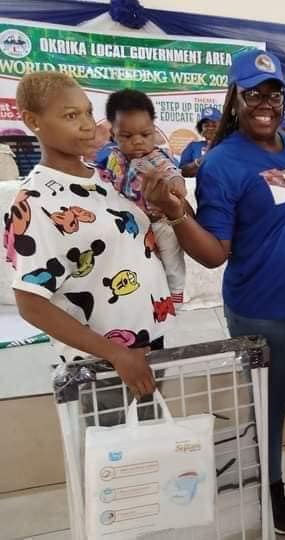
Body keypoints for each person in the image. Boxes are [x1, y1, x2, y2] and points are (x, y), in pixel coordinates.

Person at [140, 49, 285, 536]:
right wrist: (177, 214)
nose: (265, 103)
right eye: (254, 93)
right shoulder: (222, 163)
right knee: (270, 404)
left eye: (274, 94)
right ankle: (269, 487)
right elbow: (214, 254)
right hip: (261, 309)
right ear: (235, 98)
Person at [3, 72, 171, 401]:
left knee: (152, 433)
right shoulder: (35, 202)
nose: (86, 125)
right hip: (103, 363)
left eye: (88, 112)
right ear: (32, 121)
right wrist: (116, 354)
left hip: (149, 343)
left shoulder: (106, 178)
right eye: (70, 116)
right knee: (113, 434)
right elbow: (31, 303)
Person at [102, 89, 187, 305]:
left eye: (145, 134)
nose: (138, 141)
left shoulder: (154, 157)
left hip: (158, 222)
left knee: (171, 256)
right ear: (113, 134)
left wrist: (177, 184)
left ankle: (176, 292)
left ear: (154, 132)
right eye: (127, 136)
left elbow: (171, 171)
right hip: (129, 224)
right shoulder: (113, 157)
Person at [179, 106, 221, 178]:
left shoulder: (228, 146)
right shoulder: (193, 146)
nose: (210, 128)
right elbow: (182, 172)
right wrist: (200, 161)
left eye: (214, 125)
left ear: (221, 127)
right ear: (201, 128)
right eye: (206, 125)